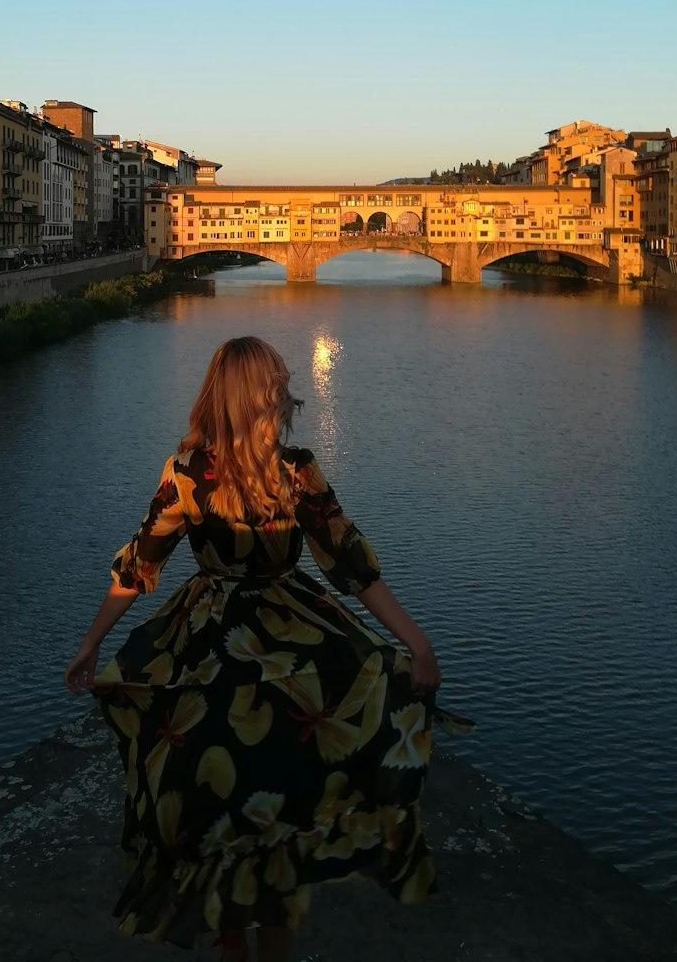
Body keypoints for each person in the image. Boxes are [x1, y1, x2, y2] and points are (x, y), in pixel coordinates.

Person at [64, 336, 474, 960]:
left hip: (207, 646)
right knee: (278, 804)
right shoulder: (292, 469)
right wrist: (415, 643)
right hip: (287, 642)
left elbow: (139, 565)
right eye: (277, 382)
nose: (285, 390)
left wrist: (93, 644)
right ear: (261, 395)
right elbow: (352, 567)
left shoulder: (192, 473)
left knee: (227, 807)